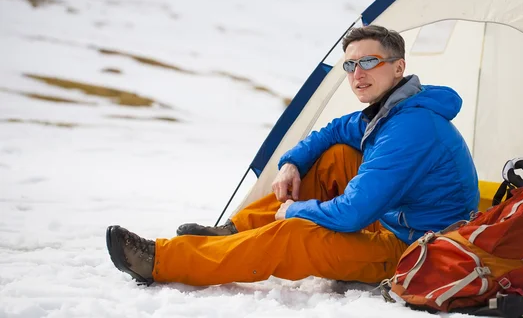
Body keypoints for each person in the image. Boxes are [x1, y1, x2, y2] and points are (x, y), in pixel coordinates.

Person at [106, 25, 479, 287]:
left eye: (369, 62)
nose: (356, 74)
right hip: (398, 217)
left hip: (418, 248)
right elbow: (332, 130)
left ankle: (162, 261)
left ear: (398, 67)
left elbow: (350, 215)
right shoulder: (390, 110)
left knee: (295, 234)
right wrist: (292, 162)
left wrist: (294, 210)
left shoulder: (409, 128)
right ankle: (234, 232)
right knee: (334, 155)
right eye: (350, 65)